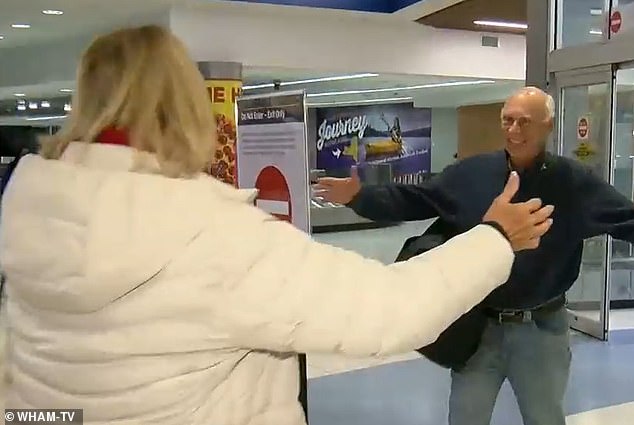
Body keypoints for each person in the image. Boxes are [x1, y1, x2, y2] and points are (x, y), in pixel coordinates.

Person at [0, 26, 553, 425]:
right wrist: (496, 238)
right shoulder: (211, 236)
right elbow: (391, 308)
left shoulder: (32, 215)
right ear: (186, 106)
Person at [316, 86, 634, 425]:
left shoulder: (574, 183)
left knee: (545, 417)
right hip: (478, 326)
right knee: (466, 416)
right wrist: (359, 196)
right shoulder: (472, 174)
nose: (513, 130)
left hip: (541, 330)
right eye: (507, 120)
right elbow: (415, 198)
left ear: (548, 126)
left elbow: (626, 219)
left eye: (524, 122)